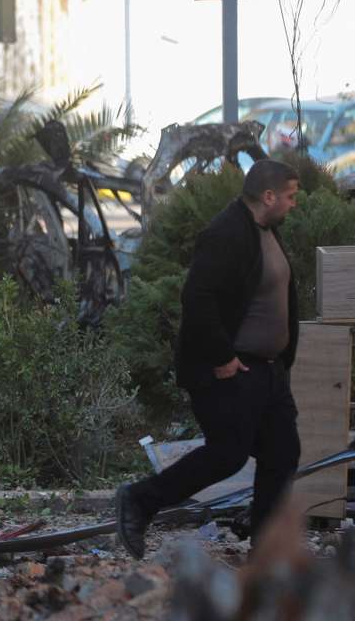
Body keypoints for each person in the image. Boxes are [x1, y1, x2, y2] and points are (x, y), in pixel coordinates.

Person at [116, 159, 301, 559]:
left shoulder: (266, 230)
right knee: (228, 453)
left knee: (282, 452)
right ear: (268, 196)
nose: (294, 204)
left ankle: (267, 551)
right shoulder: (226, 232)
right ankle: (139, 500)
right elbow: (197, 297)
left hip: (267, 371)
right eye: (290, 196)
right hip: (231, 370)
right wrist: (223, 356)